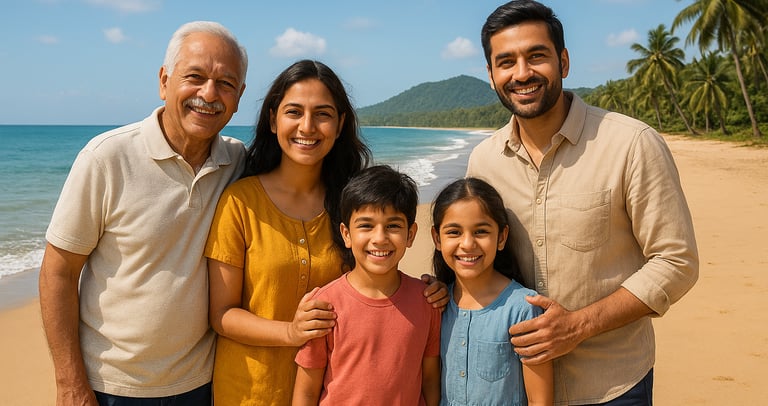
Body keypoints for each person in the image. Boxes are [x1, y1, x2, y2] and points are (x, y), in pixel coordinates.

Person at [467, 1, 699, 404]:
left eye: (536, 56)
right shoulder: (483, 162)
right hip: (514, 384)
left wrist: (579, 325)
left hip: (612, 384)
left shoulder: (630, 144)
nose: (522, 73)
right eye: (506, 62)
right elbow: (476, 255)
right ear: (490, 76)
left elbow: (675, 261)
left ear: (564, 61)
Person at [205, 61, 447, 405]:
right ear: (274, 120)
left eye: (322, 114)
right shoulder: (239, 202)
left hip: (338, 392)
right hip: (251, 390)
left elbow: (372, 281)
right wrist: (291, 332)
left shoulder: (352, 203)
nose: (307, 126)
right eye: (294, 112)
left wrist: (428, 291)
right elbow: (221, 315)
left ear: (340, 124)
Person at [38, 21, 248, 405]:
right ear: (164, 81)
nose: (208, 94)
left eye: (226, 84)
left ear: (239, 97)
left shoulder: (238, 163)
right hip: (111, 386)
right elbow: (59, 270)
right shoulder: (105, 158)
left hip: (203, 382)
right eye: (194, 77)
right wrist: (69, 382)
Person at [292, 165, 442, 406]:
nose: (380, 238)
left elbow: (431, 381)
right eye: (366, 225)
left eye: (393, 226)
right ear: (346, 234)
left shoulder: (427, 302)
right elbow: (306, 392)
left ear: (411, 234)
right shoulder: (323, 306)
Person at [431, 177, 553, 406]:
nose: (467, 244)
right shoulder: (437, 305)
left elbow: (540, 400)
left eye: (480, 232)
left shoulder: (523, 308)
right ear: (437, 238)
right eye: (454, 232)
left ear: (502, 237)